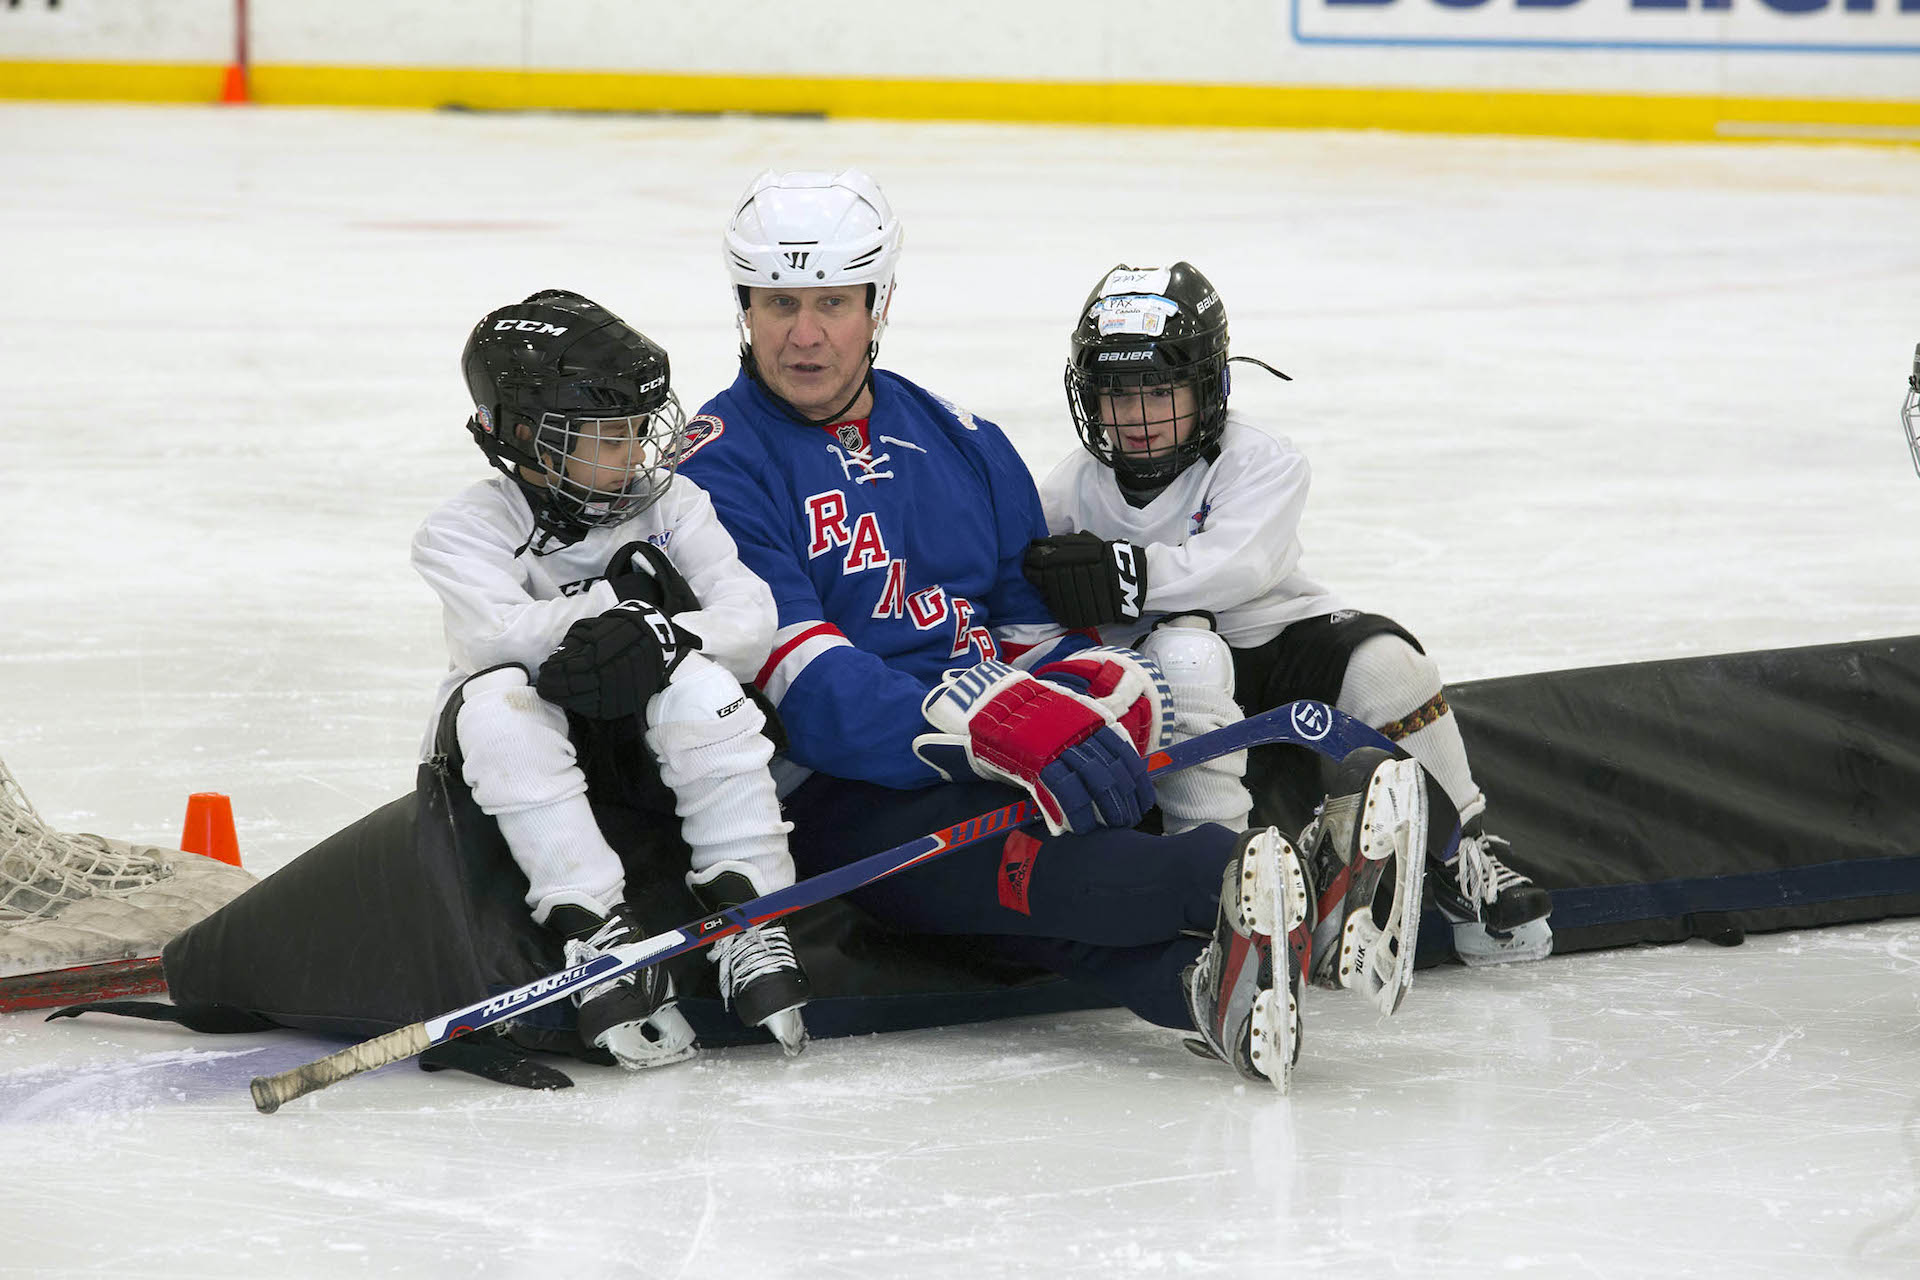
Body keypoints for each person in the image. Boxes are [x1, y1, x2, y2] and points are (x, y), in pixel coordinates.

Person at [676, 170, 1431, 1092]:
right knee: (1028, 867)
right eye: (778, 303)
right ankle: (1283, 883)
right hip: (847, 795)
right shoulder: (717, 464)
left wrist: (1086, 691)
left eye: (832, 302)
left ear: (877, 305)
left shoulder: (964, 442)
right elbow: (797, 677)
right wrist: (976, 729)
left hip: (1008, 751)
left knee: (1046, 878)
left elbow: (1033, 630)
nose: (804, 333)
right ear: (744, 307)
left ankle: (1202, 988)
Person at [1024, 262, 1554, 966]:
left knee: (1389, 663)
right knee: (1186, 650)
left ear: (1207, 386)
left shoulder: (1261, 459)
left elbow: (1241, 565)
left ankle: (1462, 853)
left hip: (1273, 634)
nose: (1139, 416)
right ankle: (1223, 879)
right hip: (1176, 673)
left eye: (1160, 389)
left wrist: (1127, 575)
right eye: (1117, 395)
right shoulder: (1067, 489)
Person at [410, 288, 810, 1069]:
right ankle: (594, 932)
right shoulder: (460, 532)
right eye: (607, 436)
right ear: (525, 435)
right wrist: (618, 613)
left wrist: (655, 633)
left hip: (644, 762)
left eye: (638, 431)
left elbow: (751, 620)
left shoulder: (674, 505)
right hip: (518, 770)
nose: (637, 454)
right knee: (496, 705)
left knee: (701, 688)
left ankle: (752, 916)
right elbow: (500, 635)